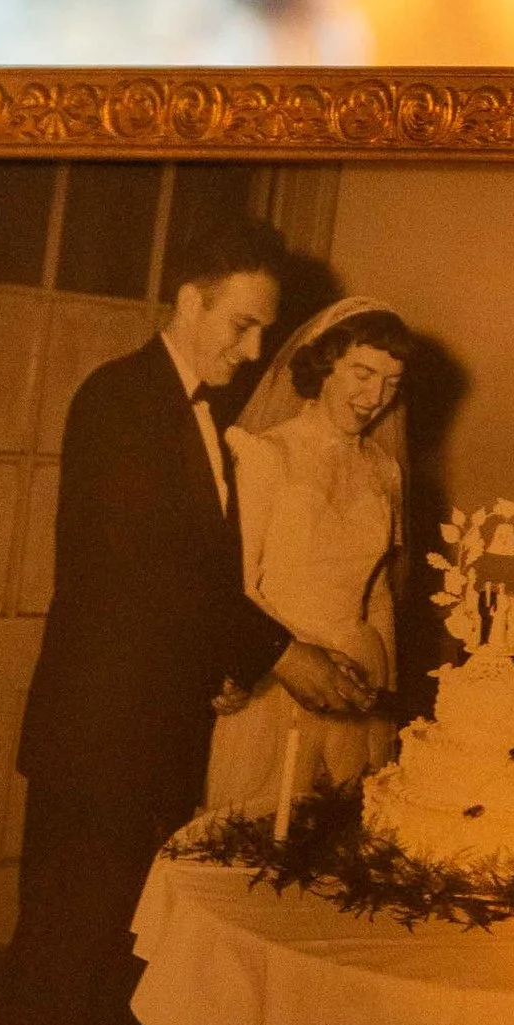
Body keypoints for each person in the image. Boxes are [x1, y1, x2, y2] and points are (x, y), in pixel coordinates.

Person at [0, 212, 371, 1025]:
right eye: (240, 327)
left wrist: (220, 677)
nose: (251, 354)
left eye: (260, 334)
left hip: (149, 728)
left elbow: (172, 601)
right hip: (94, 740)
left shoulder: (196, 420)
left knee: (112, 962)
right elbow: (149, 569)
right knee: (60, 964)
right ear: (189, 299)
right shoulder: (118, 399)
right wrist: (281, 658)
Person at [207, 299, 411, 816]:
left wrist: (382, 691)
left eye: (390, 383)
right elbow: (240, 585)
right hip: (279, 675)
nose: (375, 397)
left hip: (360, 680)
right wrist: (277, 662)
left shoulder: (385, 470)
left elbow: (380, 593)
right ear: (325, 366)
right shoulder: (266, 454)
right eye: (363, 374)